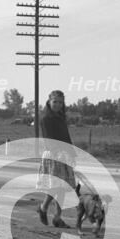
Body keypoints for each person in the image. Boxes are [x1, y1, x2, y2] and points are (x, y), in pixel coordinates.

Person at [36, 90, 76, 228]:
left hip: (64, 154)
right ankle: (43, 208)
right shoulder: (46, 118)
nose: (58, 105)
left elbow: (66, 136)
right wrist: (59, 153)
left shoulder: (61, 117)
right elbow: (49, 138)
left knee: (63, 188)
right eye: (55, 102)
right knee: (55, 187)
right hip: (54, 155)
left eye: (60, 102)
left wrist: (72, 153)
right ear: (49, 101)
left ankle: (57, 217)